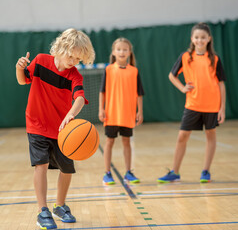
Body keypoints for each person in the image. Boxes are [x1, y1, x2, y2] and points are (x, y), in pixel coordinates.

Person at [16, 28, 95, 229]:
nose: (73, 61)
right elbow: (22, 79)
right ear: (61, 47)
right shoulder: (41, 61)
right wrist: (19, 67)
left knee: (67, 169)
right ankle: (43, 211)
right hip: (36, 124)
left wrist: (71, 114)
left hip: (63, 129)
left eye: (78, 59)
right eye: (71, 55)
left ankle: (59, 206)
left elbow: (78, 98)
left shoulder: (75, 76)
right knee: (40, 165)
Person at [157, 22, 226, 183]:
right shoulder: (185, 57)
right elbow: (171, 75)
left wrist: (222, 108)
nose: (200, 40)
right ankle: (175, 172)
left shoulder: (214, 59)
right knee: (182, 136)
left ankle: (206, 171)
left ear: (209, 39)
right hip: (192, 104)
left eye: (203, 37)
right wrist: (182, 88)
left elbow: (221, 84)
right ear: (192, 39)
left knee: (211, 135)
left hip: (212, 105)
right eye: (197, 37)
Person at [98, 37, 144, 185]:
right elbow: (102, 92)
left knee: (126, 142)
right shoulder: (109, 70)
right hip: (111, 113)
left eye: (125, 49)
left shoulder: (134, 71)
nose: (122, 52)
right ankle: (107, 173)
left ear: (130, 52)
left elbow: (139, 93)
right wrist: (101, 109)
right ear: (113, 52)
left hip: (128, 113)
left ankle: (128, 172)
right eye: (119, 49)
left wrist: (140, 111)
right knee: (109, 141)